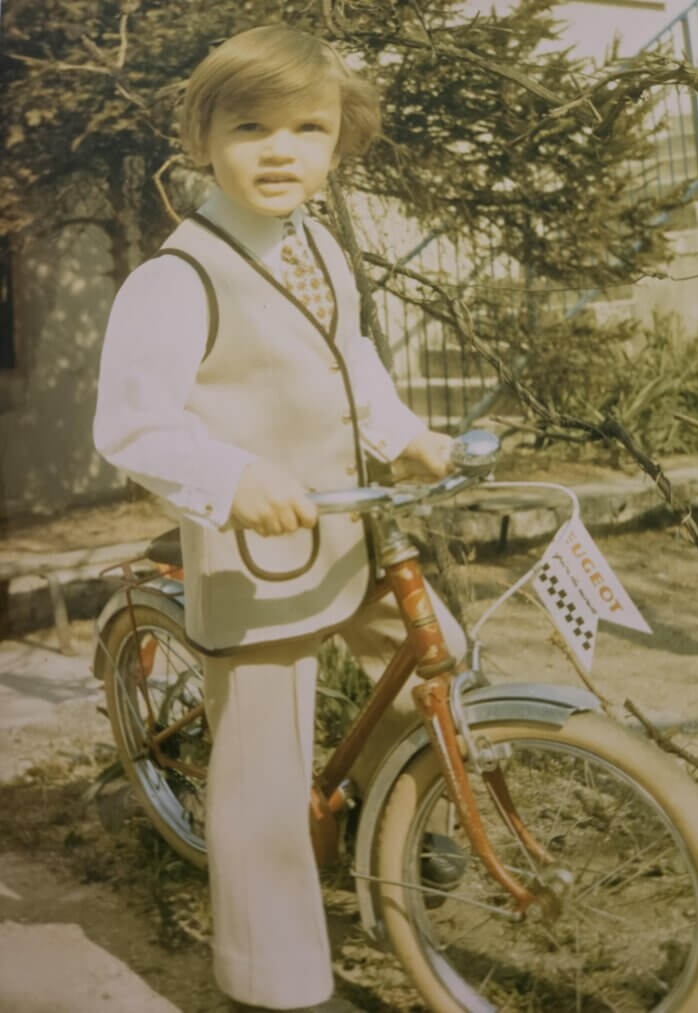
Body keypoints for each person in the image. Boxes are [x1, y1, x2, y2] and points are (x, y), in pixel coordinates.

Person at [94, 24, 466, 1013]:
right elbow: (131, 425)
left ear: (339, 144)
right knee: (264, 763)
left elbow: (355, 369)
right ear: (202, 135)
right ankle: (272, 976)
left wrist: (408, 435)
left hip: (348, 526)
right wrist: (231, 473)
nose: (281, 150)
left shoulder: (319, 249)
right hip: (254, 549)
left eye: (309, 128)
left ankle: (404, 820)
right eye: (250, 126)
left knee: (433, 651)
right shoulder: (176, 279)